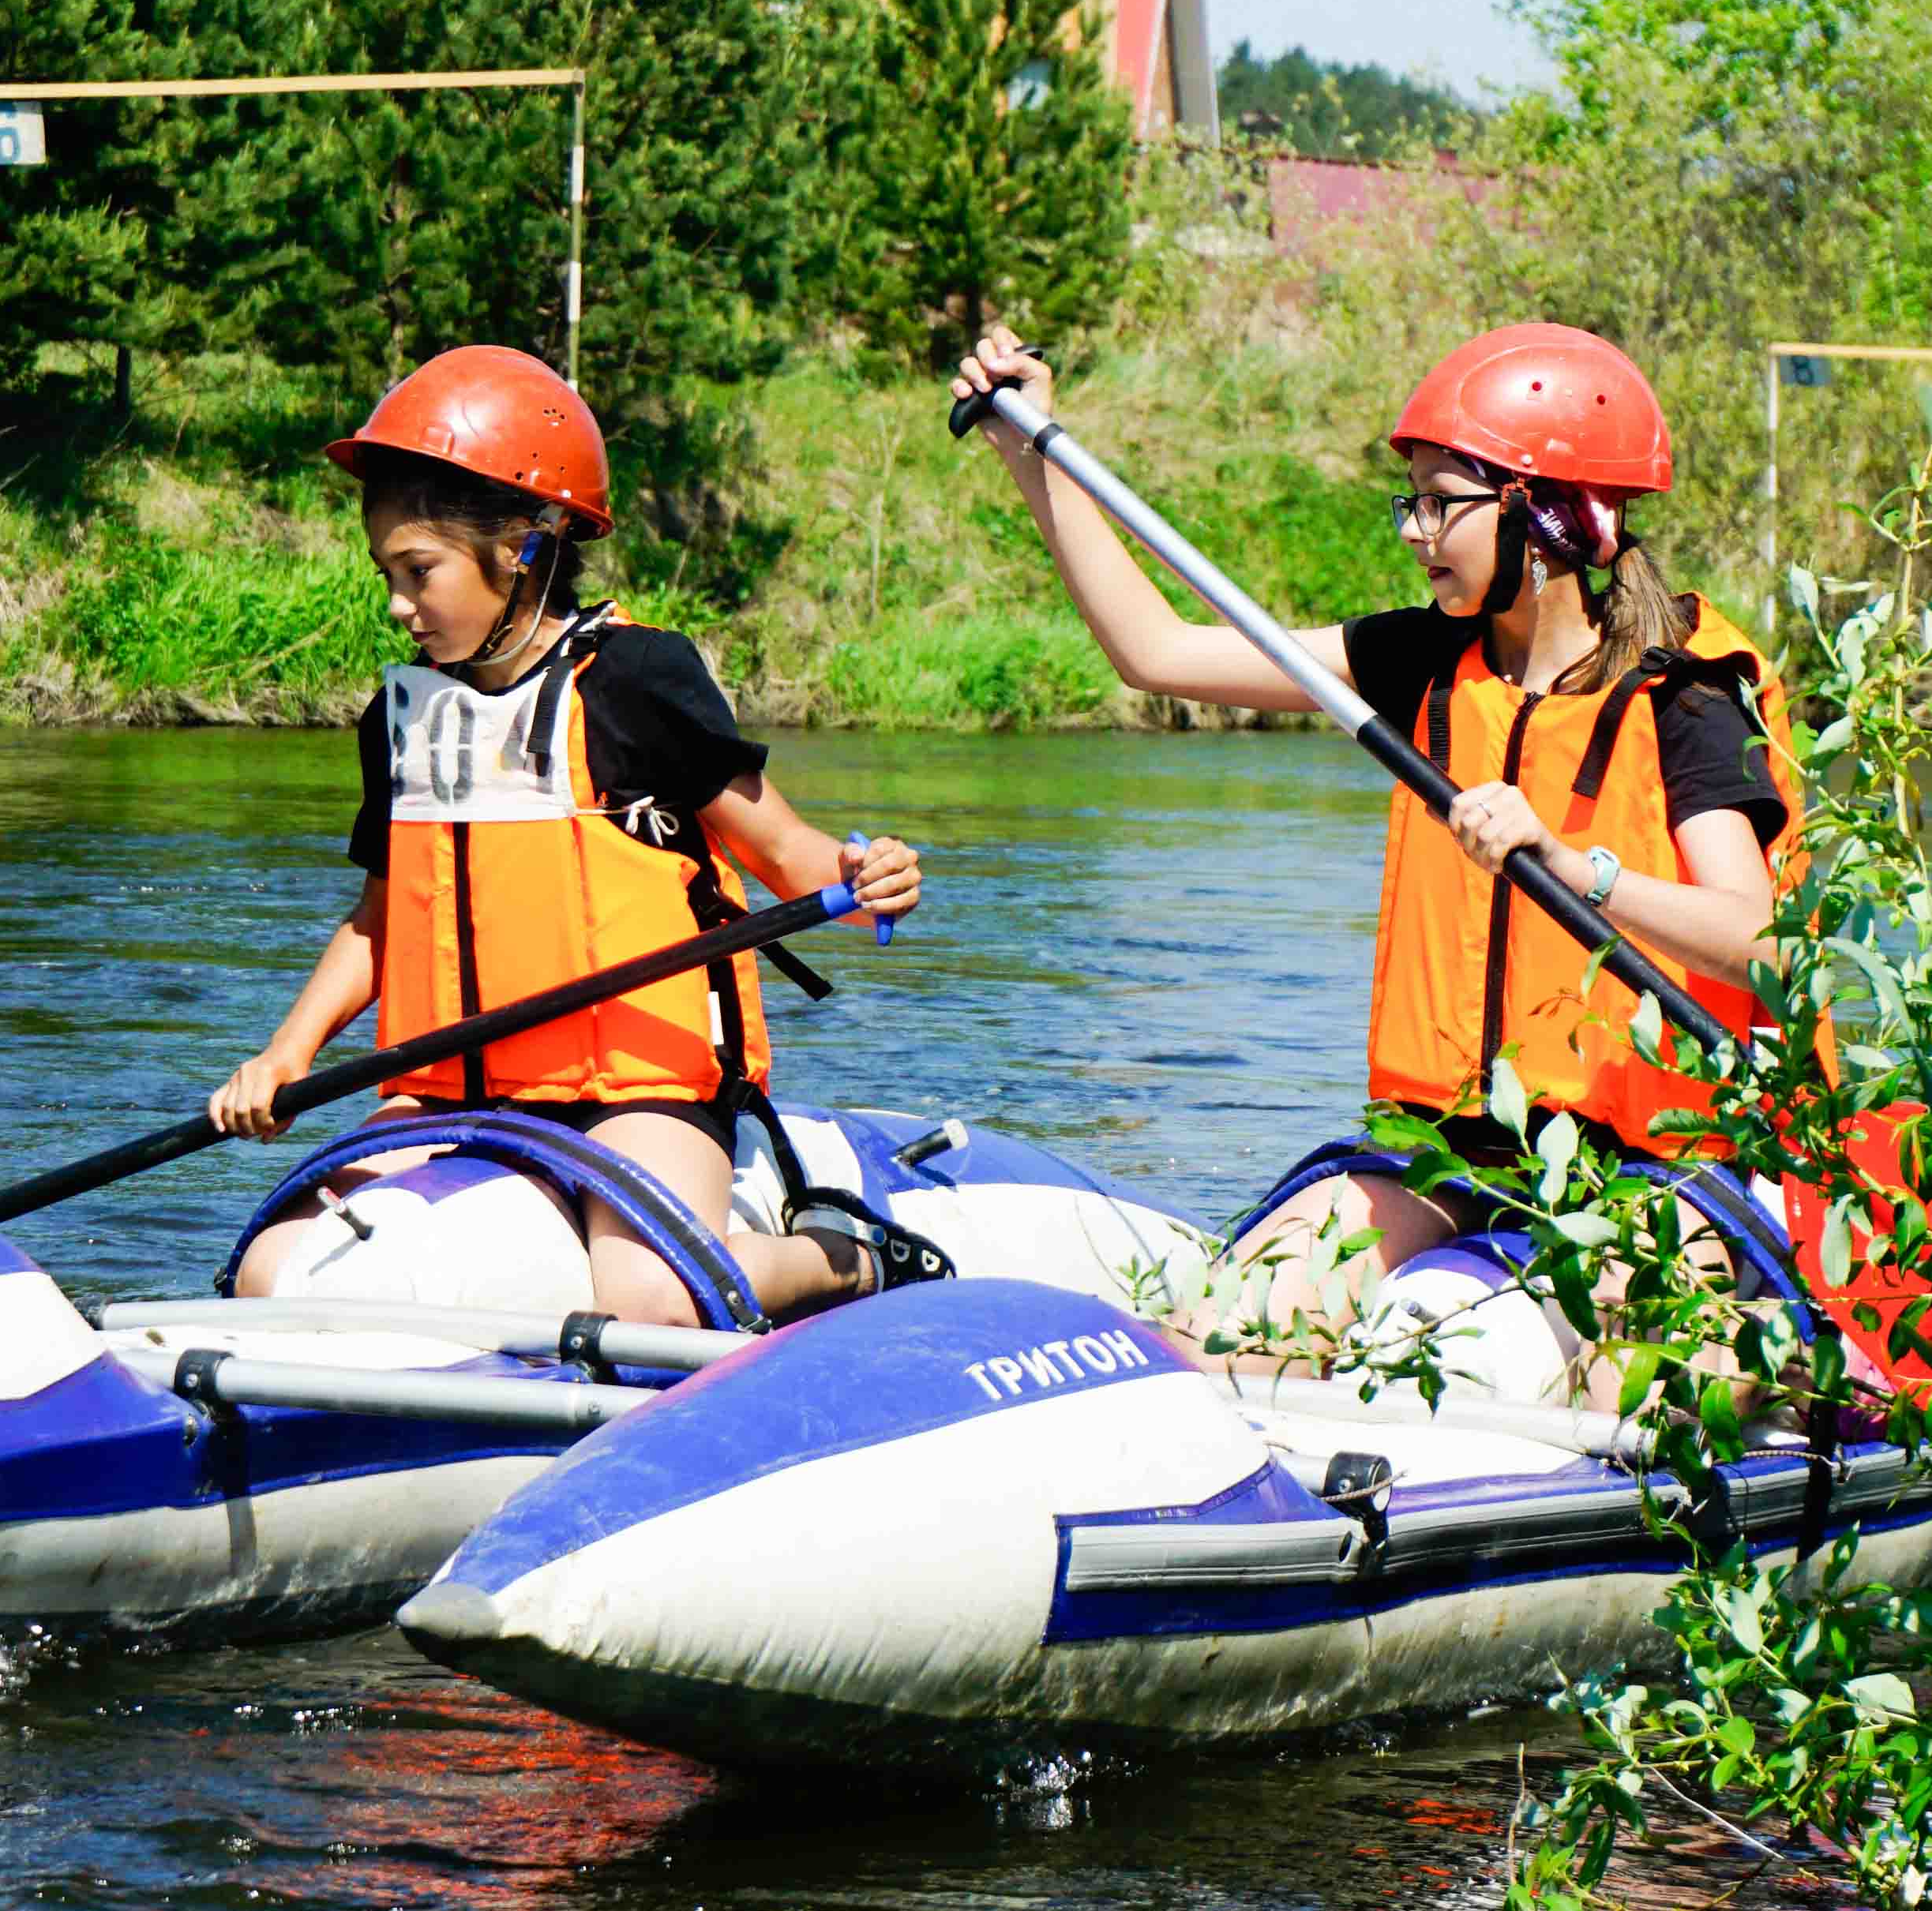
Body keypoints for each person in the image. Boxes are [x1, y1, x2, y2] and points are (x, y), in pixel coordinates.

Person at [954, 319, 1809, 1383]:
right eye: (1410, 500)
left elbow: (1766, 947)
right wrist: (1026, 446)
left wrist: (1580, 867)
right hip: (1456, 1145)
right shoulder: (1419, 660)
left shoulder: (1685, 699)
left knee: (1626, 1389)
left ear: (1542, 517)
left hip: (1662, 1165)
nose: (1414, 532)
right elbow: (1155, 652)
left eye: (1442, 503)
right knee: (1231, 1338)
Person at [208, 345, 932, 1325]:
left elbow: (787, 854)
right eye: (387, 571)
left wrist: (860, 873)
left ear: (527, 547)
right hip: (447, 1092)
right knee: (273, 1270)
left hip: (635, 1086)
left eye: (419, 571)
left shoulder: (638, 681)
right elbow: (383, 923)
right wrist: (287, 1055)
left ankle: (846, 1259)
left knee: (651, 1299)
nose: (397, 603)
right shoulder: (402, 720)